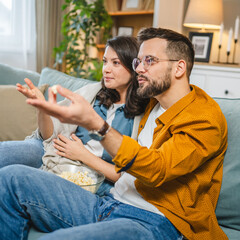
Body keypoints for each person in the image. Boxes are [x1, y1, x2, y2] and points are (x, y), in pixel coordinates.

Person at [0, 27, 228, 240]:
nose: (138, 68)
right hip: (106, 202)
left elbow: (158, 169)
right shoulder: (152, 102)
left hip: (155, 222)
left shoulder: (203, 117)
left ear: (179, 68)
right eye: (139, 61)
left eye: (150, 61)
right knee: (10, 178)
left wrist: (96, 125)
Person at [0, 36, 148, 195]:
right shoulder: (92, 93)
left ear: (134, 67)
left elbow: (128, 177)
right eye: (105, 61)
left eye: (115, 63)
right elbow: (49, 136)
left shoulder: (142, 114)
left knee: (11, 179)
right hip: (51, 152)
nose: (106, 69)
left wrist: (83, 155)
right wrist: (41, 107)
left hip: (90, 178)